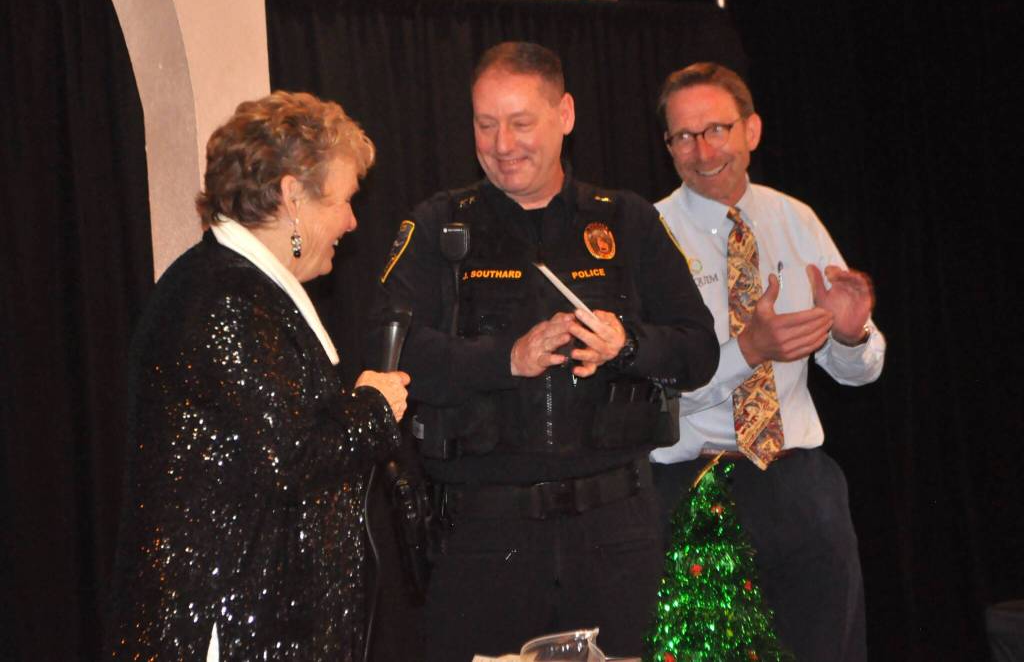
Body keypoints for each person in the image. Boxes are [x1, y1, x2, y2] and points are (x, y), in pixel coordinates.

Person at [372, 42, 719, 661]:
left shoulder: (626, 221)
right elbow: (390, 353)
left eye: (520, 122)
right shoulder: (440, 227)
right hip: (484, 538)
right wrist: (505, 359)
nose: (502, 144)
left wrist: (628, 344)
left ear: (565, 115)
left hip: (615, 532)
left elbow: (698, 350)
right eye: (485, 124)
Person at [106, 91, 409, 661]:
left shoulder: (241, 288)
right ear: (293, 196)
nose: (352, 221)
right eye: (344, 200)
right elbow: (290, 457)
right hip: (224, 630)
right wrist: (373, 405)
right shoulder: (226, 299)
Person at [649, 62, 886, 661]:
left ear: (751, 130)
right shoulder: (650, 235)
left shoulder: (795, 219)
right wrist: (749, 351)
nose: (703, 151)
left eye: (717, 130)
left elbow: (859, 370)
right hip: (695, 487)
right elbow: (653, 394)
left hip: (799, 481)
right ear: (668, 147)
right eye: (684, 136)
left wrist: (850, 334)